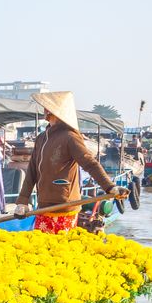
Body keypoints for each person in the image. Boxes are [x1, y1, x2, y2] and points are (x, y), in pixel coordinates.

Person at [14, 91, 126, 234]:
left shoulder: (70, 137)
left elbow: (90, 163)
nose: (44, 110)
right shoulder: (42, 138)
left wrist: (110, 187)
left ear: (53, 111)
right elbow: (32, 172)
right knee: (42, 249)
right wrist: (22, 201)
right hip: (43, 207)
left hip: (65, 206)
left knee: (60, 250)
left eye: (47, 107)